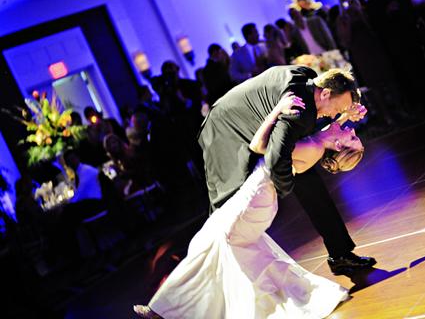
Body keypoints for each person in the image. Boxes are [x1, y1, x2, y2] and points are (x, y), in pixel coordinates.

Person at [134, 92, 364, 318]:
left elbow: (259, 144)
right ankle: (164, 309)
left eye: (352, 139)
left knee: (215, 247)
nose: (353, 131)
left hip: (255, 201)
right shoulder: (320, 142)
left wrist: (277, 110)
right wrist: (346, 113)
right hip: (255, 196)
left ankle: (163, 310)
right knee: (208, 245)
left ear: (337, 147)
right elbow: (328, 130)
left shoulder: (313, 148)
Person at [197, 66, 375, 275]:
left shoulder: (310, 80)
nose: (335, 115)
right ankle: (213, 265)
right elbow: (275, 158)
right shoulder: (298, 110)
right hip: (224, 130)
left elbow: (316, 129)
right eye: (338, 109)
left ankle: (340, 254)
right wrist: (277, 192)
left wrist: (346, 113)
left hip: (249, 124)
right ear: (325, 93)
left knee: (310, 184)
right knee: (227, 205)